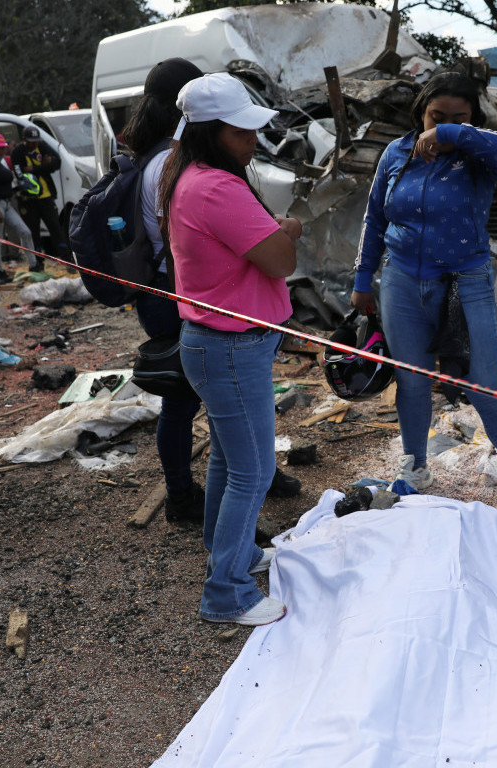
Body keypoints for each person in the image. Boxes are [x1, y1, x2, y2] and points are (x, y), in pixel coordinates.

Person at [349, 71, 497, 525]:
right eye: (436, 116)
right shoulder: (397, 152)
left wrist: (450, 134)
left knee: (487, 385)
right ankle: (415, 468)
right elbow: (374, 217)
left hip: (465, 282)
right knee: (411, 380)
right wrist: (363, 277)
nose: (444, 126)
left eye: (458, 118)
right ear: (419, 112)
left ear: (471, 121)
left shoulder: (480, 156)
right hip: (402, 281)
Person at [159, 73, 300, 626]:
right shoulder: (216, 187)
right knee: (254, 471)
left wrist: (271, 228)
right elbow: (281, 262)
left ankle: (232, 555)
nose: (254, 141)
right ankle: (227, 593)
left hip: (218, 344)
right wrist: (285, 227)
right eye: (243, 132)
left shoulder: (188, 176)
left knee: (229, 459)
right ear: (213, 131)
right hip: (231, 347)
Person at [0, 132, 35, 274]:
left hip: (7, 202)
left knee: (25, 231)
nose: (1, 150)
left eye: (2, 148)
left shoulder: (1, 161)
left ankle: (34, 264)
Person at [12, 125, 68, 262]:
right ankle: (37, 262)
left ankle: (67, 259)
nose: (35, 144)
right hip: (28, 199)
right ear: (24, 139)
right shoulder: (17, 152)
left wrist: (35, 168)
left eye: (36, 140)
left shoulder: (42, 147)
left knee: (55, 228)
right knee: (33, 232)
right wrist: (43, 165)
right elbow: (21, 176)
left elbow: (56, 163)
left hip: (47, 196)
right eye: (31, 141)